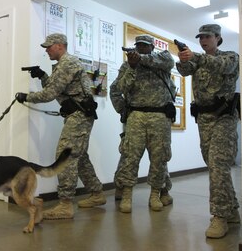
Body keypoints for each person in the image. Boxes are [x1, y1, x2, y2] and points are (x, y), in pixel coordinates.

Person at [15, 33, 106, 220]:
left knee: (64, 156)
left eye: (49, 47)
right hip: (78, 115)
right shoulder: (64, 65)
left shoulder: (67, 63)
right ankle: (97, 194)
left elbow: (49, 94)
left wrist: (27, 96)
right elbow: (59, 89)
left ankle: (65, 205)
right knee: (79, 157)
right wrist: (42, 76)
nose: (47, 50)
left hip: (79, 115)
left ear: (60, 46)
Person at [176, 24, 240, 239]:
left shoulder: (230, 56)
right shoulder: (197, 60)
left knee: (218, 164)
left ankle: (220, 216)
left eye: (207, 36)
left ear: (218, 38)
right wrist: (184, 58)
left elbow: (225, 67)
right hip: (203, 119)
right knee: (213, 164)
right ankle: (232, 211)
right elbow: (183, 70)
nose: (203, 40)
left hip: (224, 117)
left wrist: (195, 57)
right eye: (200, 37)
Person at [110, 34, 175, 213]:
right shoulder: (127, 66)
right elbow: (118, 89)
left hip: (159, 116)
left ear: (152, 48)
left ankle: (155, 194)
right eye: (138, 46)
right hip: (137, 116)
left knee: (159, 158)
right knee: (130, 156)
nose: (141, 49)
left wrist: (143, 59)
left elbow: (169, 62)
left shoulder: (163, 59)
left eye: (145, 46)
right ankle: (127, 194)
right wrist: (132, 67)